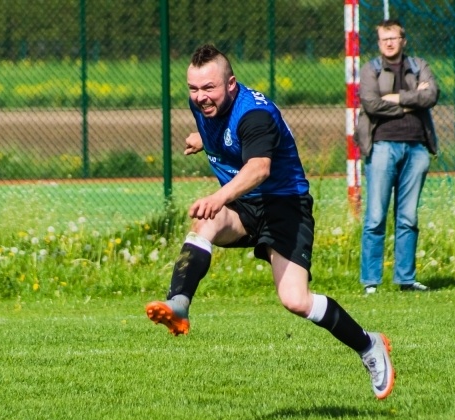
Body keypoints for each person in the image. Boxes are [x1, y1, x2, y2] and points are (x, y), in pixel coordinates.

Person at [145, 44, 395, 400]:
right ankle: (178, 304)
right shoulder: (205, 104)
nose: (200, 97)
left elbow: (259, 168)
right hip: (245, 205)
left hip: (285, 205)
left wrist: (218, 197)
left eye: (209, 88)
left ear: (231, 84)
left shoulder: (255, 115)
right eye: (193, 88)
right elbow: (228, 134)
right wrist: (205, 139)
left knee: (295, 300)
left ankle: (369, 345)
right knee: (205, 224)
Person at [355, 19, 439, 295]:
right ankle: (371, 281)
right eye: (384, 39)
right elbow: (371, 103)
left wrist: (396, 98)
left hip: (417, 149)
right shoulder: (371, 69)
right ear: (379, 43)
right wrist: (411, 102)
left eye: (393, 38)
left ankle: (406, 278)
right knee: (375, 216)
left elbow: (431, 95)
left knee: (408, 217)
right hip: (382, 147)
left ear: (403, 40)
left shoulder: (419, 65)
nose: (389, 43)